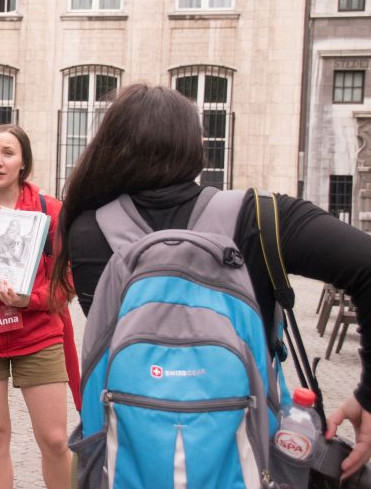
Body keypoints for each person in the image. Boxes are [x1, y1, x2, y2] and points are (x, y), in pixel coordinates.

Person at [52, 82, 371, 480]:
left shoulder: (87, 230)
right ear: (195, 146)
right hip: (245, 456)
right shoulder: (263, 217)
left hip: (127, 457)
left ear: (111, 147)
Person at [0, 123, 79, 489]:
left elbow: (69, 279)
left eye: (7, 153)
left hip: (37, 334)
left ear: (23, 162)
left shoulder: (50, 209)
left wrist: (32, 299)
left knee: (54, 440)